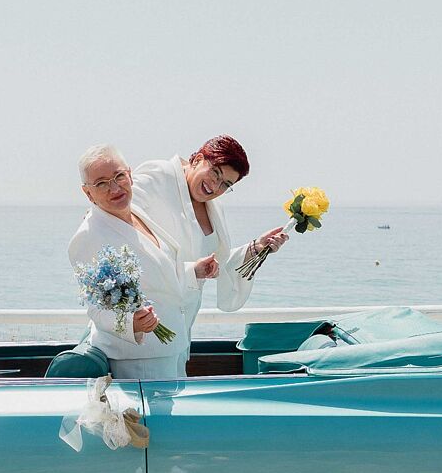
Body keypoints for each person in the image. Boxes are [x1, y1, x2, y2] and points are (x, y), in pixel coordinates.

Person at [67, 144, 198, 380]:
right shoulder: (88, 236)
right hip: (139, 358)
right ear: (87, 193)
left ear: (129, 174)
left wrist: (194, 271)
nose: (114, 188)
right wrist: (131, 323)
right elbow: (95, 309)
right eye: (101, 183)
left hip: (173, 346)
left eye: (119, 176)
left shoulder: (137, 211)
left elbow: (157, 273)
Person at [130, 135, 289, 314]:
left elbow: (215, 263)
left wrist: (256, 248)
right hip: (144, 315)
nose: (215, 187)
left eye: (225, 184)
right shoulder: (158, 175)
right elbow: (122, 223)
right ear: (198, 159)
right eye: (215, 173)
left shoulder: (214, 208)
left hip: (182, 324)